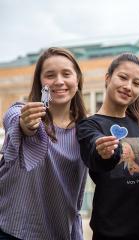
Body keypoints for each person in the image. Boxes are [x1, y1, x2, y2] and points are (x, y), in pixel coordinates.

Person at [76, 53, 139, 240]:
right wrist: (104, 152)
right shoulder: (90, 125)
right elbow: (94, 155)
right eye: (123, 78)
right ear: (108, 78)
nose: (128, 87)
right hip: (113, 229)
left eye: (136, 83)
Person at [0, 47, 88, 239]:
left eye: (66, 74)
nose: (59, 81)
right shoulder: (21, 110)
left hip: (59, 232)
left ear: (77, 79)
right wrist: (26, 125)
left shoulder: (86, 129)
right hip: (11, 230)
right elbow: (14, 119)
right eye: (50, 75)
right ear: (40, 82)